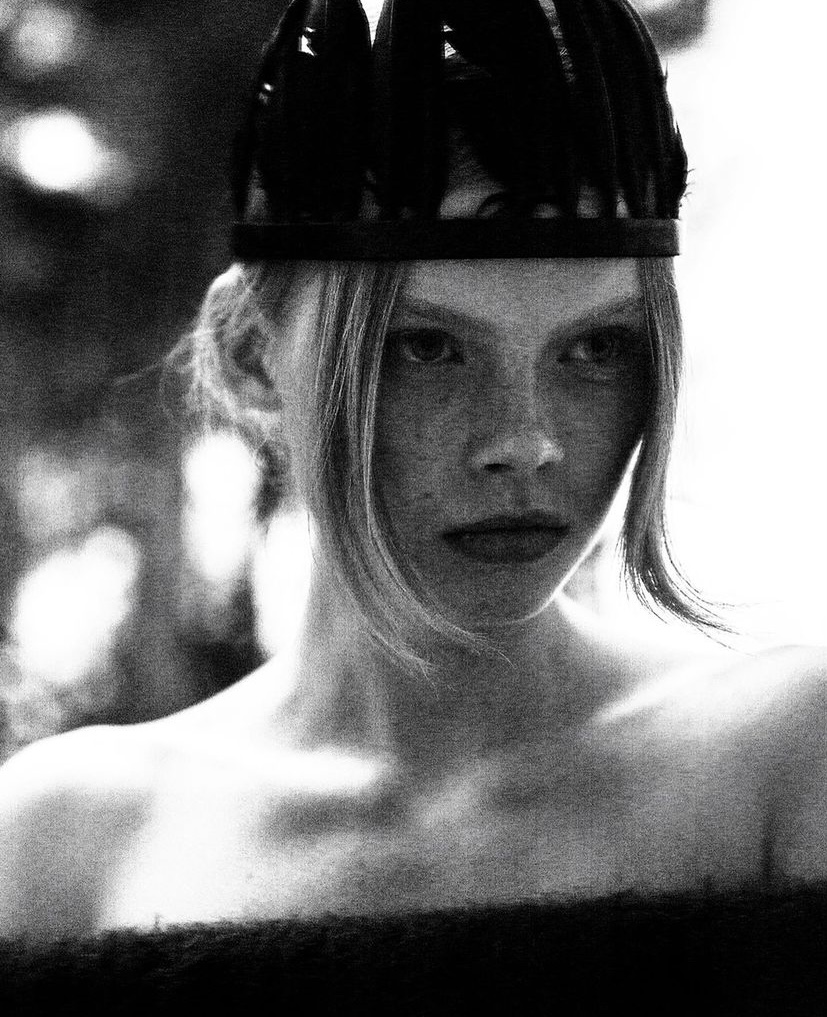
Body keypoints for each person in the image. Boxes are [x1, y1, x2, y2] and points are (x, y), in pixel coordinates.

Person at [0, 0, 825, 1009]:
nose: (524, 440)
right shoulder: (65, 839)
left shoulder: (781, 758)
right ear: (255, 355)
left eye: (593, 348)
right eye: (427, 348)